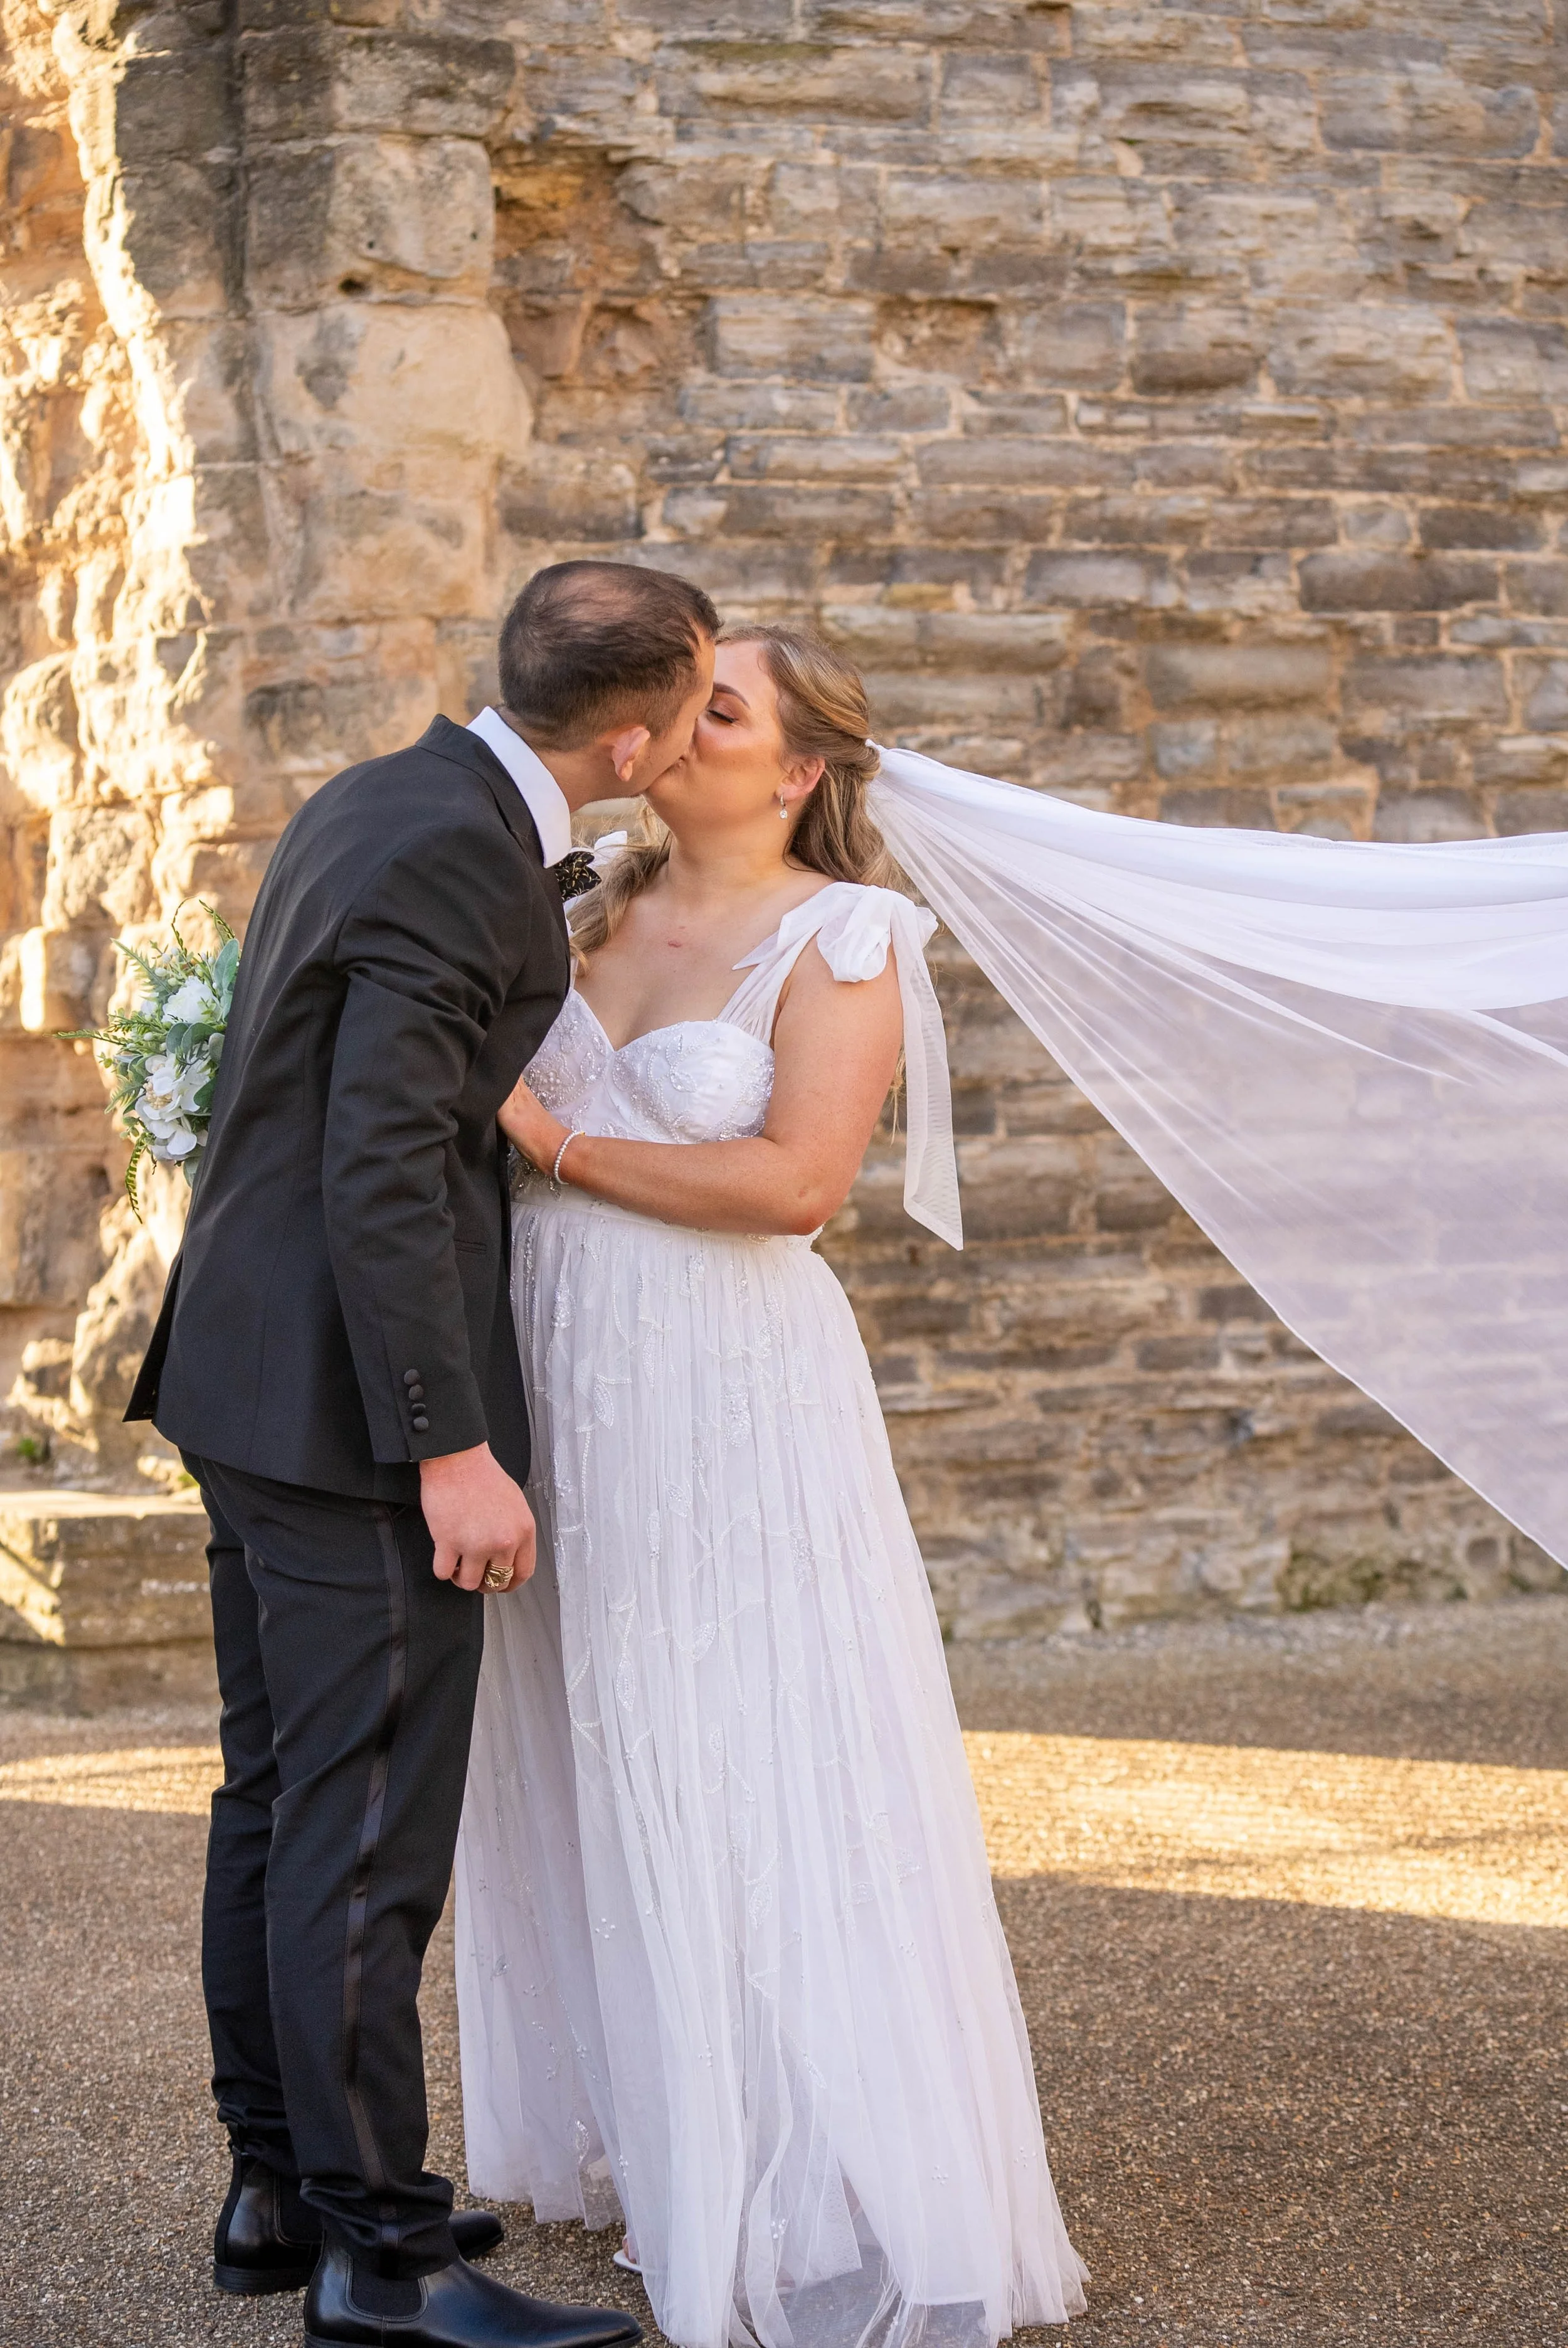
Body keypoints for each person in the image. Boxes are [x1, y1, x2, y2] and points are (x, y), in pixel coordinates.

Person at [454, 626, 1089, 2348]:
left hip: (723, 1381)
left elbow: (796, 1178)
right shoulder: (579, 897)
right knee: (589, 1732)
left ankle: (803, 2168)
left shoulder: (847, 937)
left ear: (796, 771)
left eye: (717, 709)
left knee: (733, 1738)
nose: (673, 724)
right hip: (555, 1361)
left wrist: (554, 1141)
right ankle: (662, 2129)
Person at [124, 561, 718, 2348]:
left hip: (248, 1383)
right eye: (693, 704)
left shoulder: (385, 789)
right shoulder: (462, 849)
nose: (695, 732)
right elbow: (382, 1164)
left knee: (279, 1796)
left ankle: (281, 2185)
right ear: (634, 733)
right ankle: (384, 2260)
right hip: (346, 1420)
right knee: (366, 1829)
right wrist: (449, 1447)